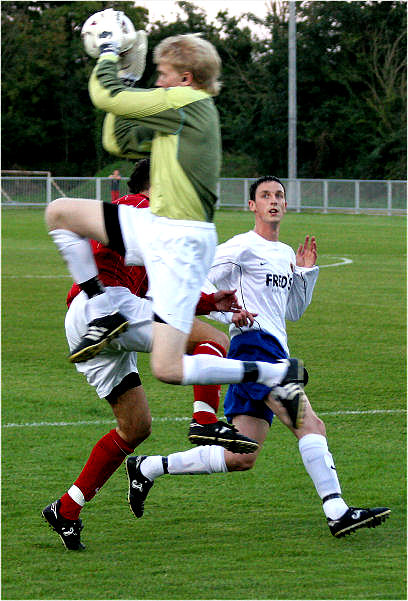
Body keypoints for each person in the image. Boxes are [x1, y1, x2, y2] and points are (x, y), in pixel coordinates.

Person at [45, 14, 307, 438]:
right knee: (60, 214)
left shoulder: (188, 102)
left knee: (167, 368)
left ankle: (268, 372)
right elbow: (118, 140)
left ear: (185, 77)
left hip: (179, 239)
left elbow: (103, 94)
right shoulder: (181, 115)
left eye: (163, 74)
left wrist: (111, 55)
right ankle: (103, 308)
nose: (159, 82)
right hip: (161, 229)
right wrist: (126, 84)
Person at [125, 175, 391, 539]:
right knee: (309, 424)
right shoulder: (241, 247)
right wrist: (227, 314)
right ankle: (337, 511)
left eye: (279, 195)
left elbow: (293, 310)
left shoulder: (282, 253)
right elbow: (195, 279)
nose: (274, 200)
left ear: (286, 203)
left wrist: (306, 272)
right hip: (254, 347)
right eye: (265, 195)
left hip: (274, 348)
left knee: (241, 456)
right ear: (252, 205)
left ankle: (148, 467)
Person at [42, 159, 258, 551]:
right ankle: (204, 421)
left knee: (136, 427)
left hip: (92, 325)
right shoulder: (141, 210)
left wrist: (211, 301)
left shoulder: (136, 223)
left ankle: (67, 508)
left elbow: (166, 300)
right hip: (107, 307)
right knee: (213, 341)